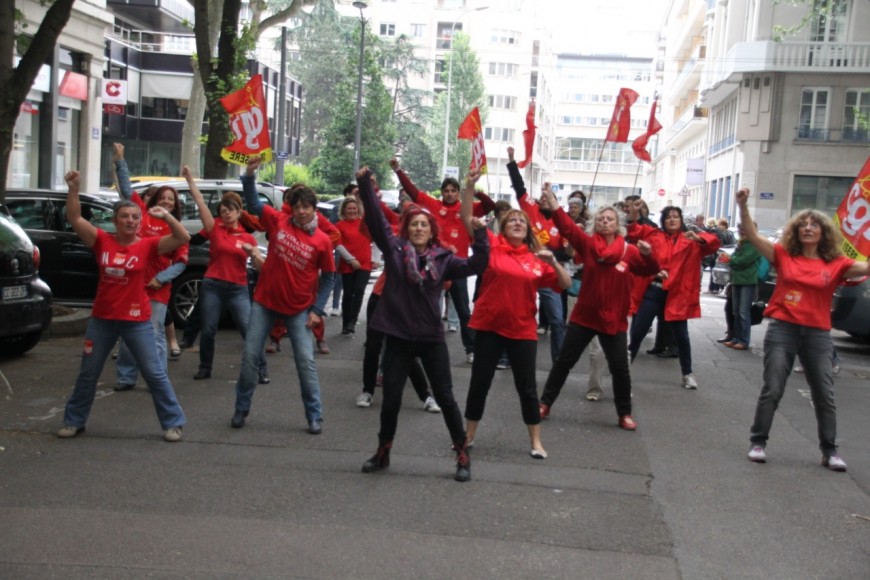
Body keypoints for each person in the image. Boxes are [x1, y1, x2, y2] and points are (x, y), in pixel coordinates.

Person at [356, 166, 489, 482]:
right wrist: (364, 185)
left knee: (446, 397)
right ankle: (383, 453)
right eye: (414, 224)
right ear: (407, 229)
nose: (418, 228)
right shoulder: (395, 250)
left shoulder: (444, 259)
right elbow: (376, 220)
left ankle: (462, 455)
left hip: (431, 339)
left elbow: (477, 264)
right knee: (391, 400)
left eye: (424, 225)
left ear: (431, 231)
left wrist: (481, 235)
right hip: (398, 336)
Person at [738, 188, 869, 471]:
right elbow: (752, 234)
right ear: (796, 231)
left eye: (814, 225)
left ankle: (829, 451)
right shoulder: (783, 254)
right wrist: (743, 205)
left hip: (817, 334)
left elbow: (866, 268)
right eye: (803, 225)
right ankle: (758, 442)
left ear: (824, 233)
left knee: (824, 394)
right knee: (773, 388)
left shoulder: (837, 263)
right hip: (782, 330)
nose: (808, 228)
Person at [57, 170, 189, 442]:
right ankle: (74, 421)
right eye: (125, 216)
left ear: (140, 222)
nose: (130, 220)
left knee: (154, 373)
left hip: (137, 320)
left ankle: (173, 422)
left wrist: (166, 216)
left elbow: (183, 237)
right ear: (115, 221)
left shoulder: (149, 245)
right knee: (88, 373)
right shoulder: (102, 240)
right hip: (102, 319)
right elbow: (75, 218)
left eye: (135, 217)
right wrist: (74, 189)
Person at [537, 186, 659, 430]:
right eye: (601, 218)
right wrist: (552, 201)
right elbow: (567, 228)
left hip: (614, 319)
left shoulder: (629, 251)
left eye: (610, 219)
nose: (605, 221)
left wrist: (649, 255)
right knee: (564, 361)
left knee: (620, 369)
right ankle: (545, 403)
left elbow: (650, 270)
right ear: (595, 223)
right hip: (585, 316)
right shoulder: (588, 244)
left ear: (618, 225)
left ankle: (624, 414)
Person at [230, 157, 335, 435]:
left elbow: (329, 277)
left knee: (305, 362)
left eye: (306, 207)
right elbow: (254, 205)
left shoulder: (322, 241)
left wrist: (317, 310)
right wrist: (249, 175)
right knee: (250, 356)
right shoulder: (279, 221)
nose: (301, 212)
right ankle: (241, 408)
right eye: (297, 207)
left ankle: (314, 415)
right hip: (265, 302)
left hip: (299, 309)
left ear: (314, 209)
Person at [464, 204, 571, 459]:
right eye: (512, 220)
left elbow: (565, 283)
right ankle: (468, 437)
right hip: (489, 326)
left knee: (527, 388)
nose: (517, 223)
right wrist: (470, 187)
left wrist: (553, 262)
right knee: (479, 384)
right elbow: (466, 217)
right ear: (503, 227)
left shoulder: (537, 258)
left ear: (527, 231)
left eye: (522, 221)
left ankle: (536, 442)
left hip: (522, 330)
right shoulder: (492, 246)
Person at [390, 158, 496, 363]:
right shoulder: (433, 205)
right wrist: (398, 170)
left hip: (458, 266)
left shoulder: (467, 208)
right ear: (442, 192)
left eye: (453, 191)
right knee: (425, 308)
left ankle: (471, 349)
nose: (449, 193)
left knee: (464, 310)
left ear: (458, 193)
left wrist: (474, 190)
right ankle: (417, 348)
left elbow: (490, 205)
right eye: (446, 190)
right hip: (434, 264)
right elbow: (412, 191)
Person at [111, 144, 189, 391]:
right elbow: (126, 189)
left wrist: (161, 278)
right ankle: (126, 377)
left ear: (175, 205)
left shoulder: (176, 228)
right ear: (155, 199)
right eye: (163, 197)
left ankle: (157, 379)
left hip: (157, 289)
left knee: (154, 334)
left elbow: (181, 262)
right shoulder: (141, 213)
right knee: (128, 331)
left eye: (170, 199)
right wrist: (120, 160)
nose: (166, 201)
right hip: (132, 284)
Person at [183, 167, 269, 383]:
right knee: (208, 329)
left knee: (248, 329)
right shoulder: (215, 228)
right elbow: (201, 203)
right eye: (223, 210)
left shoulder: (248, 238)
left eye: (230, 210)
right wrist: (190, 180)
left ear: (240, 213)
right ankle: (205, 368)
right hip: (212, 285)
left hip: (238, 288)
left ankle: (261, 369)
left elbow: (261, 268)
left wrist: (253, 254)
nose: (226, 213)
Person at [627, 206, 720, 389]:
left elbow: (714, 243)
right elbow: (633, 231)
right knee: (637, 331)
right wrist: (634, 213)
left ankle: (687, 373)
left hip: (677, 294)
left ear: (681, 220)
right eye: (668, 217)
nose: (672, 220)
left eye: (675, 217)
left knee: (682, 336)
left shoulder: (690, 240)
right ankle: (624, 370)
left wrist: (698, 238)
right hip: (654, 290)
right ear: (663, 221)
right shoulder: (655, 236)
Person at [506, 147, 566, 362]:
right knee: (513, 313)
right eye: (542, 197)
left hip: (548, 273)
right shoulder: (530, 208)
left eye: (548, 197)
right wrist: (512, 161)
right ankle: (506, 357)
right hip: (524, 268)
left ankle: (558, 361)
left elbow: (565, 253)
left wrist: (551, 252)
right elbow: (519, 186)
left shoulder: (561, 222)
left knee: (557, 320)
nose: (543, 199)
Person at [334, 195, 371, 335]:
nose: (352, 211)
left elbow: (374, 240)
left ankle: (352, 322)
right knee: (348, 294)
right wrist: (351, 260)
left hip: (365, 263)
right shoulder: (339, 226)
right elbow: (338, 245)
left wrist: (375, 259)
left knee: (359, 291)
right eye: (349, 208)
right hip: (348, 264)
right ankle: (345, 323)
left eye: (354, 208)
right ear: (344, 210)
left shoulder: (364, 224)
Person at [724, 221, 760, 351]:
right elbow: (735, 259)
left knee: (744, 312)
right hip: (737, 280)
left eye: (745, 228)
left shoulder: (755, 243)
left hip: (748, 280)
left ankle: (744, 340)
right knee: (736, 311)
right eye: (740, 228)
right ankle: (736, 338)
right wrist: (733, 260)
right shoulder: (741, 243)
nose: (742, 231)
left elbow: (743, 260)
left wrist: (731, 260)